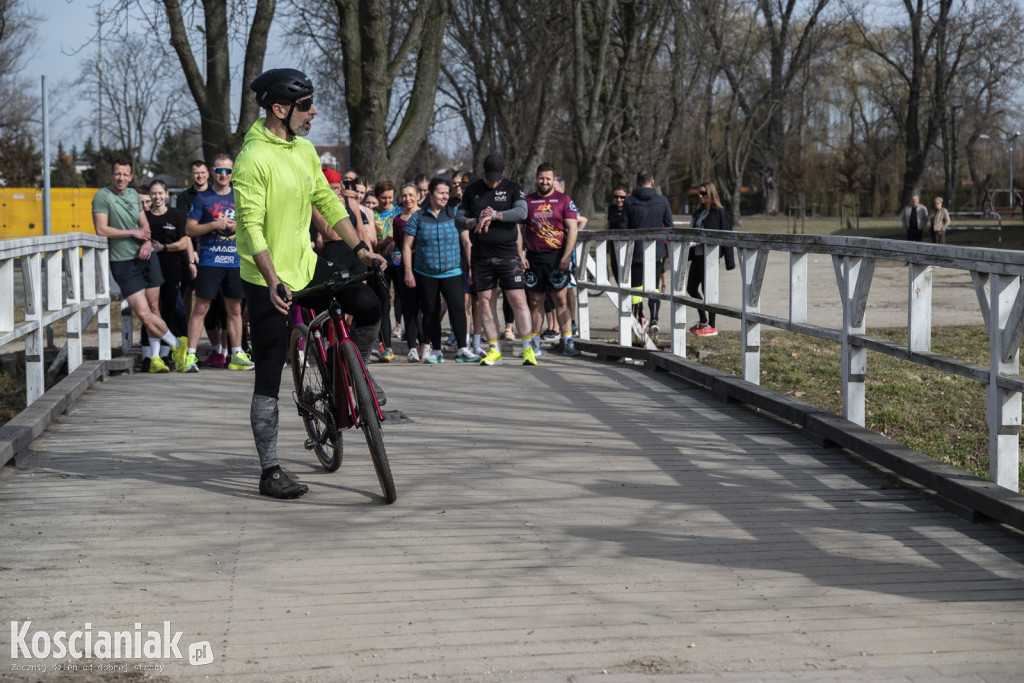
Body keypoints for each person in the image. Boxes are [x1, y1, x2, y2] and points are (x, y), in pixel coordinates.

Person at [234, 67, 386, 499]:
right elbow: (249, 228)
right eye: (305, 106)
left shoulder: (303, 150)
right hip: (267, 278)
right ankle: (270, 471)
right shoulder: (252, 159)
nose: (313, 111)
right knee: (268, 373)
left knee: (369, 302)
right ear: (278, 110)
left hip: (306, 262)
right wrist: (271, 280)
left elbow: (325, 200)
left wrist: (360, 249)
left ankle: (353, 378)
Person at [91, 158, 184, 373]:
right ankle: (178, 345)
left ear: (130, 177)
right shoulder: (102, 197)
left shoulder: (133, 195)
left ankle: (156, 359)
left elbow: (144, 224)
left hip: (146, 257)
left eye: (125, 174)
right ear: (111, 175)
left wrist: (144, 241)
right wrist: (132, 233)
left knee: (154, 309)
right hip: (123, 262)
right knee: (143, 314)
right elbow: (102, 230)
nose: (121, 178)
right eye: (117, 174)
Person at [456, 153, 534, 366]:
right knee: (485, 301)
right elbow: (458, 219)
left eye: (497, 177)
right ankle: (494, 350)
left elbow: (522, 212)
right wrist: (475, 220)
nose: (493, 181)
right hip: (481, 254)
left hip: (508, 253)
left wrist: (495, 215)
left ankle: (528, 348)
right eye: (490, 177)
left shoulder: (512, 188)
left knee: (518, 298)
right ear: (483, 172)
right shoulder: (472, 190)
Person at [180, 153, 253, 372]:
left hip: (234, 260)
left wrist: (234, 227)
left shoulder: (240, 196)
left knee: (235, 309)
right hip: (211, 260)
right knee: (201, 307)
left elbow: (250, 226)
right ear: (213, 172)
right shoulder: (203, 198)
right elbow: (189, 229)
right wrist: (214, 224)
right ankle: (190, 356)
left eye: (227, 170)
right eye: (219, 170)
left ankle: (237, 353)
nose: (223, 174)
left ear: (233, 173)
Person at [403, 178, 480, 364]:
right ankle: (436, 351)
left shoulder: (455, 214)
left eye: (447, 193)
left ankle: (463, 349)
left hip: (452, 271)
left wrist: (470, 268)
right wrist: (408, 271)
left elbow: (466, 242)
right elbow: (406, 247)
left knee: (459, 309)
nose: (445, 196)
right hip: (425, 273)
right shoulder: (418, 216)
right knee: (431, 311)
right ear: (430, 194)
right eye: (441, 192)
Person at [524, 163, 580, 356]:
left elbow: (573, 229)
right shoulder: (528, 200)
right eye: (541, 178)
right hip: (533, 257)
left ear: (554, 180)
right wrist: (520, 254)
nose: (545, 182)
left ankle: (568, 340)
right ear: (536, 178)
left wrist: (566, 256)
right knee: (535, 301)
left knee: (561, 300)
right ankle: (535, 342)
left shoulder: (564, 200)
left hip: (557, 257)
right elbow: (517, 228)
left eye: (548, 178)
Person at [144, 180, 192, 364]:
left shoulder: (177, 216)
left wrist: (164, 247)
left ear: (166, 195)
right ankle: (149, 355)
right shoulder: (145, 217)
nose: (156, 197)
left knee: (169, 310)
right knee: (150, 311)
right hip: (148, 270)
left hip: (171, 268)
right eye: (153, 193)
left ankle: (165, 354)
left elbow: (183, 242)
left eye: (160, 193)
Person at [623, 170, 673, 337]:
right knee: (654, 287)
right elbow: (669, 226)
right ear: (652, 183)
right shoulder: (663, 201)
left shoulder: (629, 201)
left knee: (636, 286)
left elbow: (623, 228)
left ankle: (638, 317)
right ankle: (654, 319)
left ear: (637, 183)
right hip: (656, 252)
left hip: (635, 251)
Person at [687, 181, 735, 337]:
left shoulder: (720, 212)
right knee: (691, 288)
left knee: (709, 291)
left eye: (704, 193)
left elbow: (727, 235)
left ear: (711, 194)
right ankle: (703, 320)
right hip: (697, 256)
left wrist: (729, 260)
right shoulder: (699, 213)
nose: (701, 196)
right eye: (699, 194)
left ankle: (712, 326)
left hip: (710, 258)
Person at [393, 183, 421, 359]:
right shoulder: (397, 220)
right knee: (409, 307)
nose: (408, 199)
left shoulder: (425, 215)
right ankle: (412, 347)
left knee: (425, 306)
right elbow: (398, 242)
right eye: (404, 195)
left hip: (426, 264)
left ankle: (426, 343)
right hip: (406, 265)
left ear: (418, 195)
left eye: (411, 195)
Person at [373, 180, 400, 362]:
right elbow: (370, 240)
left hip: (399, 260)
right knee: (384, 303)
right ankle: (386, 346)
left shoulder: (399, 211)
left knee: (407, 302)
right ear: (377, 197)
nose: (387, 201)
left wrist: (395, 240)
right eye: (383, 198)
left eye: (390, 197)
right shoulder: (372, 214)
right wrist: (382, 243)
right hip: (381, 263)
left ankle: (417, 344)